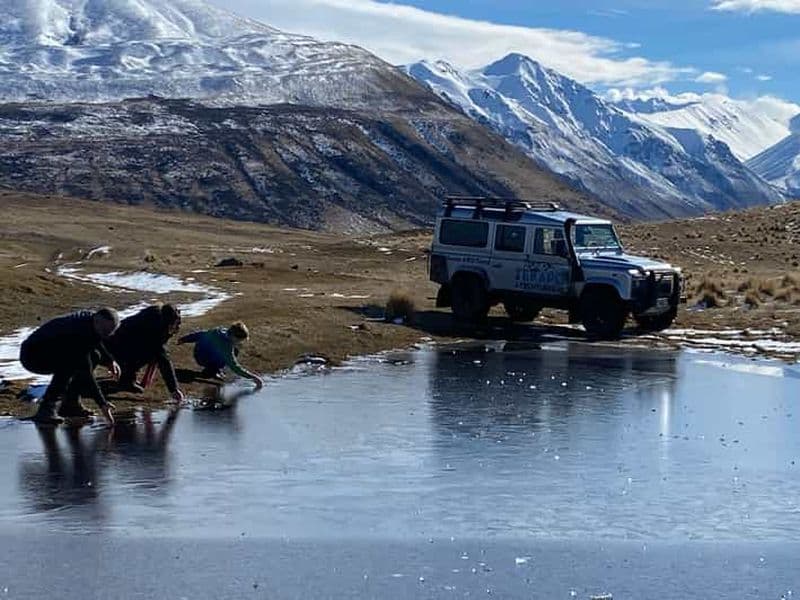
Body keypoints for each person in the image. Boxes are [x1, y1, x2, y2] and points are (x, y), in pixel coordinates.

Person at [19, 308, 120, 425]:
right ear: (97, 322)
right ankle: (46, 410)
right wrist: (102, 403)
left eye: (111, 332)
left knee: (94, 355)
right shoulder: (77, 333)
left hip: (53, 349)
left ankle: (70, 405)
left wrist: (109, 361)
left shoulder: (92, 323)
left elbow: (96, 340)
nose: (106, 335)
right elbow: (86, 372)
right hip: (32, 356)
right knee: (70, 365)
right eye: (105, 331)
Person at [104, 303, 185, 403]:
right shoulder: (154, 328)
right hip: (116, 345)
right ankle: (126, 381)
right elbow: (164, 360)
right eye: (174, 324)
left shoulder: (157, 317)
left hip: (118, 341)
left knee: (148, 353)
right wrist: (174, 389)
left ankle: (127, 378)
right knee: (146, 354)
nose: (176, 327)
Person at [178, 322, 263, 389]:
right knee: (230, 354)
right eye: (239, 340)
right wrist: (253, 377)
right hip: (202, 358)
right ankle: (211, 371)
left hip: (200, 352)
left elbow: (200, 335)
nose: (240, 342)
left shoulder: (220, 331)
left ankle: (214, 369)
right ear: (234, 337)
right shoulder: (226, 346)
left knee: (235, 350)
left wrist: (184, 339)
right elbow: (235, 367)